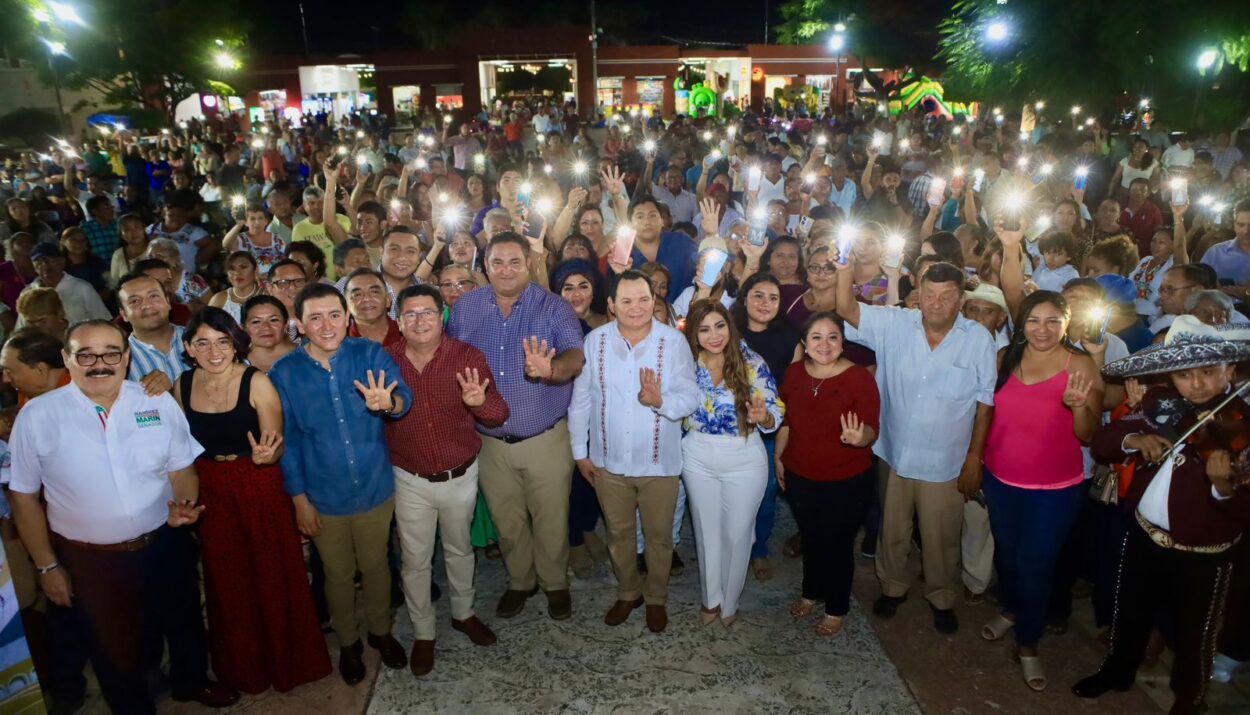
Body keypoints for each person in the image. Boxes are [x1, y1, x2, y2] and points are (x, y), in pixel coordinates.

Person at [8, 320, 239, 714]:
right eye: (86, 355)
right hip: (89, 558)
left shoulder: (154, 401)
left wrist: (185, 504)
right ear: (67, 359)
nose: (100, 364)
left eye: (110, 353)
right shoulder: (38, 417)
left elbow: (181, 467)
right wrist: (47, 568)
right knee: (111, 644)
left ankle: (192, 682)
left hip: (163, 542)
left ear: (126, 356)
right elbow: (24, 498)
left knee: (184, 621)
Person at [1073, 316, 1250, 715]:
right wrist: (1133, 437)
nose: (1197, 384)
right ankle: (1118, 672)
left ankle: (1190, 702)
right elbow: (1103, 442)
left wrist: (1224, 487)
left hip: (1204, 553)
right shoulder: (1159, 403)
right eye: (1185, 374)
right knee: (1129, 613)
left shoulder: (1242, 427)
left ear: (1231, 371)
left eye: (1209, 372)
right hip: (1144, 535)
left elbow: (1244, 509)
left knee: (1195, 636)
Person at [171, 308, 331, 694]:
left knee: (274, 572)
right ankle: (246, 669)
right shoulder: (181, 385)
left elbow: (274, 442)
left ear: (235, 344)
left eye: (223, 341)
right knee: (227, 581)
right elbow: (179, 452)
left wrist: (267, 455)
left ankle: (288, 663)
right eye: (203, 343)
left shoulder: (256, 382)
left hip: (258, 483)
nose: (214, 351)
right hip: (211, 488)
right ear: (189, 348)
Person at [835, 260, 997, 634]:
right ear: (918, 295)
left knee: (941, 537)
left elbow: (985, 402)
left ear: (960, 299)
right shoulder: (895, 324)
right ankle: (893, 588)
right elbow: (846, 309)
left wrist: (974, 458)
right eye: (929, 295)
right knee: (893, 529)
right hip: (894, 452)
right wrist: (845, 268)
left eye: (946, 297)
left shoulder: (978, 339)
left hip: (947, 460)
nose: (936, 303)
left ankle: (941, 597)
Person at [269, 283, 414, 685]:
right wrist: (299, 499)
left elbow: (403, 395)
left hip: (373, 486)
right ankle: (349, 644)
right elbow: (291, 441)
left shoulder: (367, 353)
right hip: (323, 495)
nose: (326, 325)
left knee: (378, 567)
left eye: (334, 315)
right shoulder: (285, 373)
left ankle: (381, 633)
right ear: (298, 324)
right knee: (335, 573)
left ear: (347, 317)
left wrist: (391, 404)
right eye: (314, 317)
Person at [447, 232, 585, 621]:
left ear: (529, 264)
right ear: (484, 267)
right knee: (507, 521)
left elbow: (576, 355)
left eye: (514, 262)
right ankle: (520, 581)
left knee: (551, 517)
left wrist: (551, 370)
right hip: (488, 440)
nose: (505, 270)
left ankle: (556, 583)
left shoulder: (553, 307)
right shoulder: (467, 308)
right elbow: (452, 360)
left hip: (545, 438)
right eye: (497, 263)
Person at [979, 292, 1103, 692]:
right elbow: (990, 414)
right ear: (1021, 323)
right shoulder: (1006, 359)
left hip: (1053, 490)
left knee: (1037, 565)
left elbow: (1089, 436)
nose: (1042, 330)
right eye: (1033, 320)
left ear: (1067, 323)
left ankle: (1028, 642)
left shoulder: (1079, 364)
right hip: (1000, 480)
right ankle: (1013, 610)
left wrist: (1079, 407)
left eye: (1052, 321)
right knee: (1009, 558)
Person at [568, 270, 699, 632]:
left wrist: (660, 401)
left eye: (644, 299)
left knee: (659, 538)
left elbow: (691, 397)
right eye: (626, 300)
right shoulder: (594, 342)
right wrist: (580, 452)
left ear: (654, 301)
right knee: (619, 535)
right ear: (611, 305)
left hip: (661, 464)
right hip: (608, 463)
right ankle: (628, 592)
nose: (636, 307)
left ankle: (656, 597)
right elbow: (580, 402)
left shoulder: (673, 342)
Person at [386, 284, 506, 675]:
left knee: (459, 550)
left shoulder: (466, 357)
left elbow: (498, 413)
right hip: (409, 478)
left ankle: (463, 613)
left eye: (428, 313)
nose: (420, 321)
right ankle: (423, 633)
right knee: (416, 560)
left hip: (459, 476)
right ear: (399, 321)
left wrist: (479, 403)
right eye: (411, 314)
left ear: (442, 317)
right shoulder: (386, 362)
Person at [777, 311, 880, 636]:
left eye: (832, 337)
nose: (825, 344)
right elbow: (787, 420)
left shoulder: (859, 378)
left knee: (837, 543)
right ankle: (811, 592)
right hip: (800, 474)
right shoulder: (794, 374)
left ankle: (837, 607)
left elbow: (872, 430)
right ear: (805, 344)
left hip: (846, 480)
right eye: (816, 337)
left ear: (842, 342)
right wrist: (780, 457)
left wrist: (859, 437)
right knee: (811, 538)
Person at [681, 299, 782, 626]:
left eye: (720, 326)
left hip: (743, 456)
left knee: (738, 534)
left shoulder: (751, 361)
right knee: (706, 530)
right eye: (705, 328)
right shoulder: (685, 362)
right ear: (694, 333)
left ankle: (731, 600)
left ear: (730, 326)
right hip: (697, 453)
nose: (714, 335)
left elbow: (775, 412)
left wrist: (763, 416)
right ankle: (711, 599)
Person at [732, 273, 803, 581]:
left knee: (766, 491)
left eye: (773, 298)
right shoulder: (728, 330)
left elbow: (795, 387)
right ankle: (730, 545)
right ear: (744, 297)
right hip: (728, 424)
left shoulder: (790, 337)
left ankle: (758, 548)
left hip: (770, 425)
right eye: (758, 295)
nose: (765, 303)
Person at [117, 271, 185, 391]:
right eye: (135, 301)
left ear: (168, 302)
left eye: (153, 296)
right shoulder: (118, 360)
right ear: (123, 314)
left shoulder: (198, 339)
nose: (147, 305)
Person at [21, 243, 111, 327]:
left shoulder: (82, 288)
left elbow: (103, 321)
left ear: (63, 262)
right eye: (39, 262)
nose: (44, 264)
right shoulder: (27, 293)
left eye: (50, 259)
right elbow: (21, 327)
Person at [344, 268, 402, 347]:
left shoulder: (407, 335)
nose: (366, 298)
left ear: (388, 300)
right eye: (357, 294)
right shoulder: (339, 344)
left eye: (374, 292)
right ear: (346, 305)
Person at [223, 203, 286, 276]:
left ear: (266, 221)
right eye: (252, 219)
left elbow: (285, 260)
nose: (257, 222)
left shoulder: (277, 239)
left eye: (260, 218)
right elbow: (226, 244)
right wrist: (239, 224)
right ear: (246, 222)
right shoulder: (240, 239)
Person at [240, 295, 296, 372]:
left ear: (286, 324)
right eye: (256, 322)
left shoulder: (308, 355)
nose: (266, 327)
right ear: (243, 328)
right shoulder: (235, 363)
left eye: (274, 320)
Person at [208, 251, 262, 324]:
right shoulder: (219, 300)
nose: (237, 273)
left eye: (243, 267)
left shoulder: (268, 295)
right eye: (232, 269)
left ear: (256, 270)